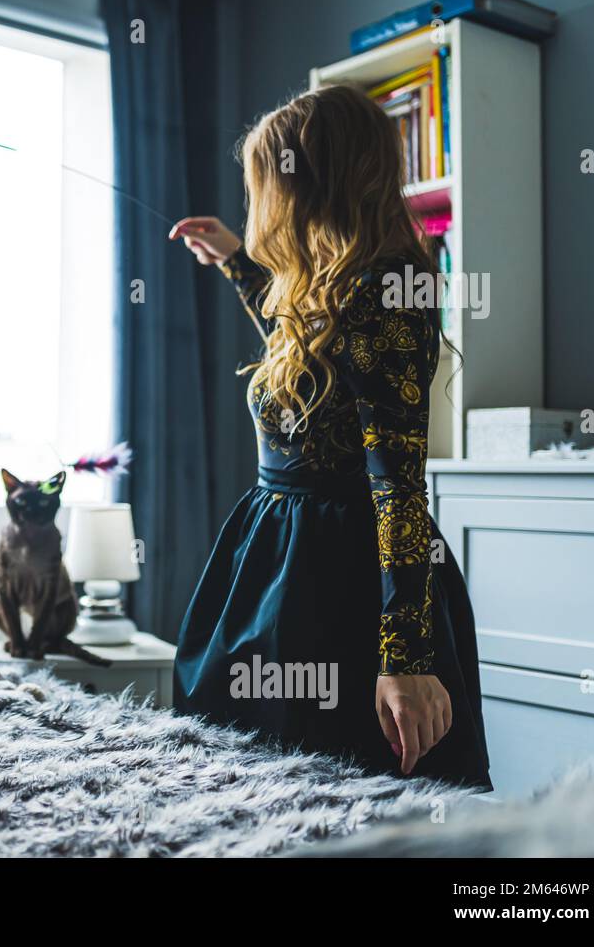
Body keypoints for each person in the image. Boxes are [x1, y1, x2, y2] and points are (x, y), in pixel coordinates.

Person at [169, 85, 490, 788]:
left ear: (310, 183)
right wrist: (232, 259)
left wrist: (407, 658)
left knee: (338, 793)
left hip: (341, 579)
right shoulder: (324, 288)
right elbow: (316, 368)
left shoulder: (390, 288)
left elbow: (399, 483)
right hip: (279, 564)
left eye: (268, 182)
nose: (261, 203)